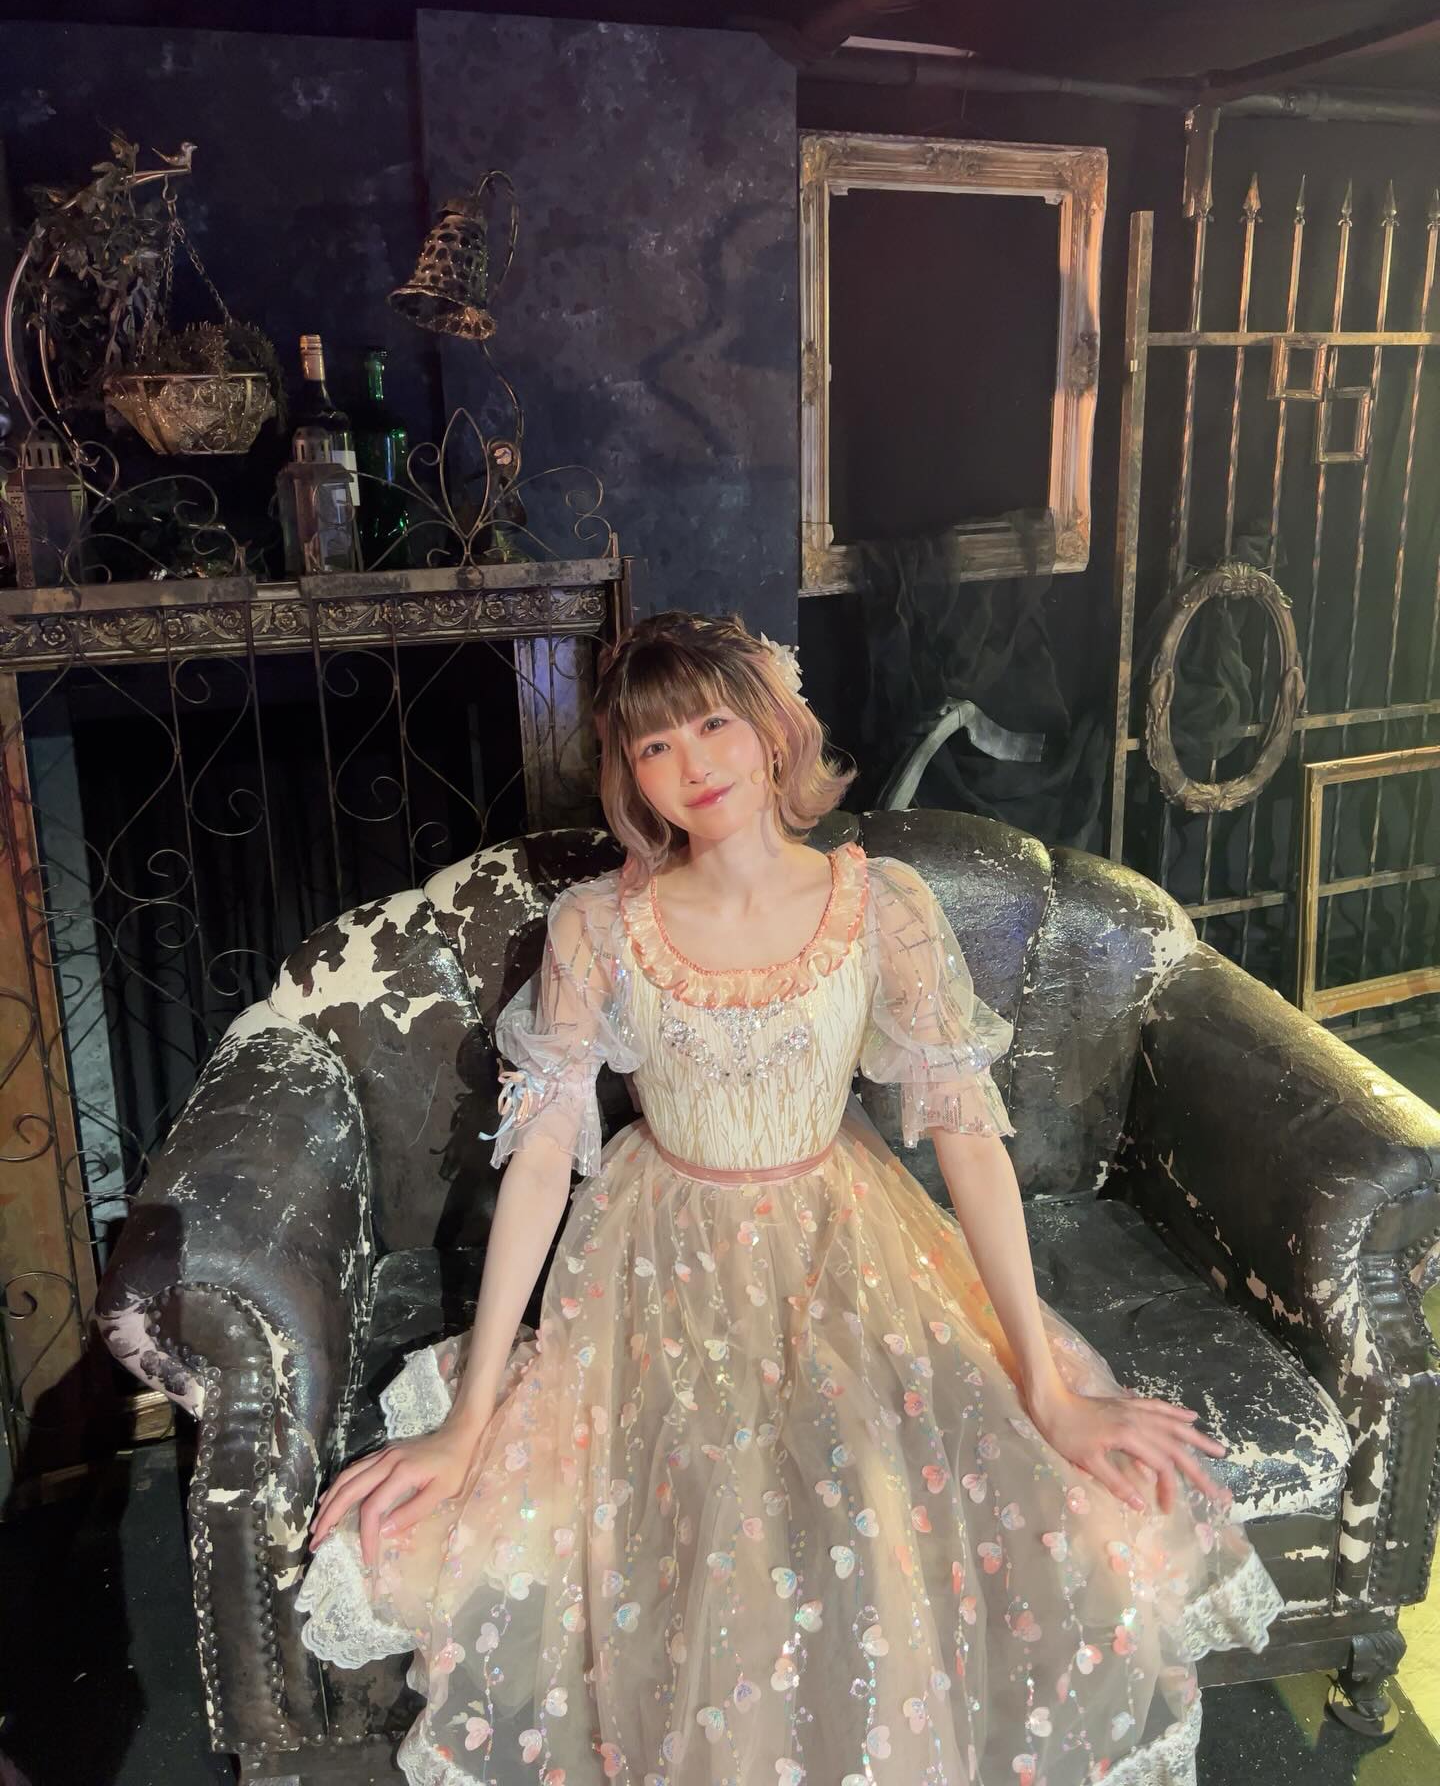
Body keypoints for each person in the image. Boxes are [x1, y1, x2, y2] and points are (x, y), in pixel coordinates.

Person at [296, 609, 1283, 1785]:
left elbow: (968, 1140)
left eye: (713, 724)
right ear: (628, 773)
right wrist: (469, 1426)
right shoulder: (598, 926)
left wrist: (1046, 1383)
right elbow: (545, 1156)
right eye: (654, 745)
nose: (692, 764)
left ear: (772, 731)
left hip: (847, 1233)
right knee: (700, 1519)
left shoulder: (884, 907)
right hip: (659, 1252)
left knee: (893, 1495)